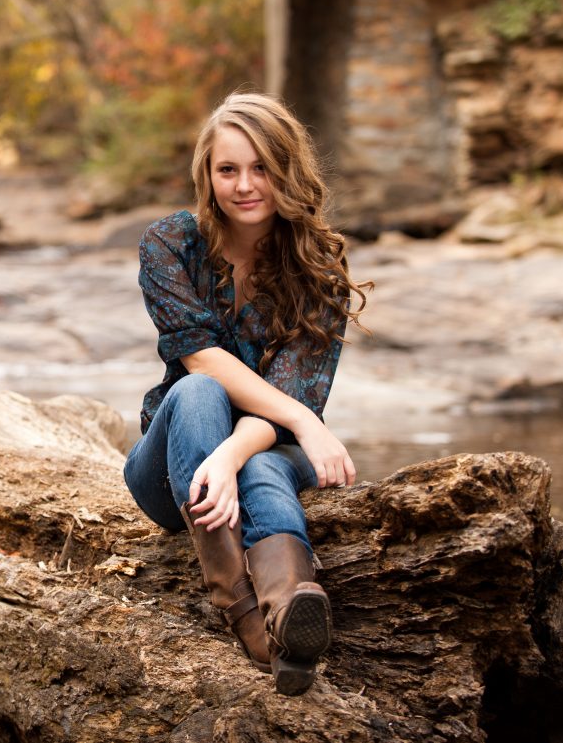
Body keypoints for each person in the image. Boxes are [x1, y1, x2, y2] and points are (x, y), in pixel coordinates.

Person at [123, 91, 371, 696]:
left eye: (261, 167)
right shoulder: (170, 243)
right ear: (207, 176)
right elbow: (199, 358)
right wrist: (307, 425)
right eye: (227, 169)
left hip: (263, 449)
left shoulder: (318, 271)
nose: (244, 185)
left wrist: (233, 455)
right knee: (201, 389)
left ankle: (291, 610)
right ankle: (245, 613)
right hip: (170, 468)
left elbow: (289, 391)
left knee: (262, 464)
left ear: (287, 170)